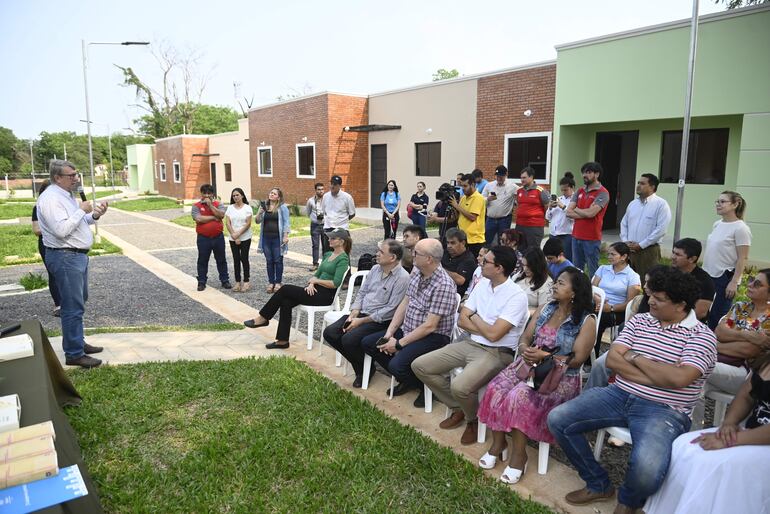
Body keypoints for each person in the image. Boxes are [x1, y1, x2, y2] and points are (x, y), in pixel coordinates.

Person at [547, 266, 717, 513]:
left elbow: (680, 379)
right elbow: (613, 360)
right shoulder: (641, 320)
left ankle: (628, 502)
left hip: (665, 410)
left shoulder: (701, 337)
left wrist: (635, 357)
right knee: (558, 419)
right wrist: (659, 374)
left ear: (680, 305)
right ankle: (598, 483)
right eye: (652, 296)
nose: (651, 302)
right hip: (618, 394)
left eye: (659, 299)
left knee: (647, 470)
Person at [477, 267, 596, 483]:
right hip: (529, 365)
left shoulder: (586, 321)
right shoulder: (546, 308)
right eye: (556, 282)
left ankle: (519, 456)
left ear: (575, 291)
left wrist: (546, 357)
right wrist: (525, 349)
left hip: (558, 377)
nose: (554, 285)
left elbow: (578, 359)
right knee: (495, 388)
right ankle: (499, 443)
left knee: (519, 397)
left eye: (560, 283)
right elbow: (526, 336)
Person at [412, 246, 529, 446]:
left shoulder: (516, 296)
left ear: (499, 268)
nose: (480, 263)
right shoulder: (483, 284)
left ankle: (472, 421)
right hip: (470, 343)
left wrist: (474, 317)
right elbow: (462, 321)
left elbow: (494, 335)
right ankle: (462, 409)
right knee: (420, 365)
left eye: (486, 262)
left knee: (460, 385)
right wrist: (482, 324)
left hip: (497, 353)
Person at [644, 352, 770, 514]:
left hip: (762, 442)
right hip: (752, 432)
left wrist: (733, 440)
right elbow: (746, 396)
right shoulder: (766, 360)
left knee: (712, 462)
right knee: (684, 446)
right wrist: (729, 424)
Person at [361, 239, 457, 407]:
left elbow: (430, 326)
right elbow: (405, 302)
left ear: (429, 259)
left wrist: (398, 344)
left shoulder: (443, 284)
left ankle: (425, 386)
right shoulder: (417, 273)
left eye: (416, 253)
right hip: (409, 328)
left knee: (397, 364)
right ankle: (408, 379)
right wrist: (390, 332)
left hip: (432, 337)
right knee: (370, 343)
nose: (411, 254)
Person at [36, 159, 108, 368]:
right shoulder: (50, 199)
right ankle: (74, 353)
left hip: (76, 256)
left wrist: (93, 215)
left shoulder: (65, 195)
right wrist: (81, 210)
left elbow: (77, 223)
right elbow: (61, 230)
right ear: (57, 178)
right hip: (65, 257)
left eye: (76, 174)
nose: (76, 178)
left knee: (78, 301)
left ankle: (77, 342)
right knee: (71, 305)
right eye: (71, 175)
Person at [244, 228, 352, 349]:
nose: (329, 239)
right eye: (329, 237)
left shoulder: (343, 259)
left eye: (333, 238)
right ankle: (282, 341)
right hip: (313, 289)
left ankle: (263, 318)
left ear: (341, 241)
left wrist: (316, 281)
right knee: (286, 302)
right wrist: (312, 283)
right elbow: (317, 274)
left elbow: (335, 283)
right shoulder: (328, 255)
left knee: (285, 289)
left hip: (325, 296)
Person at [323, 239, 410, 387]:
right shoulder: (376, 269)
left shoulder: (402, 278)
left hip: (379, 321)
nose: (377, 254)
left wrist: (361, 321)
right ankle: (363, 365)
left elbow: (391, 309)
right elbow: (362, 292)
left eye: (381, 252)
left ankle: (363, 371)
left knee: (349, 339)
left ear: (392, 258)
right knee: (330, 333)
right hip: (361, 313)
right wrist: (355, 311)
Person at [691, 268, 770, 428]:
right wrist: (748, 336)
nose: (750, 285)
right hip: (722, 364)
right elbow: (719, 332)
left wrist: (722, 342)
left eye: (757, 284)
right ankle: (693, 432)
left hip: (748, 375)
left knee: (696, 369)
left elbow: (750, 351)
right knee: (694, 384)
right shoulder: (741, 307)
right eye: (751, 280)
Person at [703, 191, 751, 330]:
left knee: (717, 316)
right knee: (704, 313)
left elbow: (743, 257)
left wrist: (734, 282)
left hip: (724, 278)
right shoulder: (717, 224)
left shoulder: (741, 228)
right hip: (708, 275)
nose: (718, 204)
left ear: (735, 204)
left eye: (723, 201)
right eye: (717, 201)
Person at [591, 242, 642, 356]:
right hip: (598, 304)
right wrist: (598, 299)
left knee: (596, 320)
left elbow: (630, 303)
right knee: (580, 311)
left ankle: (590, 359)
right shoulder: (603, 269)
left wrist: (611, 308)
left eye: (613, 254)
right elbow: (593, 288)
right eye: (608, 254)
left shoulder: (632, 276)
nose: (609, 257)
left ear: (624, 257)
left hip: (617, 310)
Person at [620, 173, 672, 281]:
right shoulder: (633, 204)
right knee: (628, 281)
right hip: (629, 250)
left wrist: (641, 245)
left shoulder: (661, 204)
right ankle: (632, 299)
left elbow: (661, 229)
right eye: (638, 183)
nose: (638, 185)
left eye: (642, 183)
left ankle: (647, 299)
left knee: (648, 282)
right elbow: (624, 223)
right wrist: (625, 242)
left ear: (652, 187)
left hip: (648, 251)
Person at [567, 162, 610, 278]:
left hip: (591, 238)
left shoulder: (603, 193)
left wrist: (577, 209)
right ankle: (579, 293)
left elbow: (592, 213)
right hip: (576, 236)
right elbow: (568, 212)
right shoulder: (579, 191)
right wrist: (586, 212)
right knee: (577, 270)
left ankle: (593, 293)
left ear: (597, 174)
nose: (584, 175)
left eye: (588, 172)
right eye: (583, 172)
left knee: (593, 271)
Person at [192, 184, 232, 291]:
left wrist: (210, 206)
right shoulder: (196, 206)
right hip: (203, 238)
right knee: (202, 260)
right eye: (204, 193)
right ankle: (201, 281)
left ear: (212, 194)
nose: (206, 195)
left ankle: (225, 280)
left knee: (221, 259)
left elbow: (221, 215)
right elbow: (198, 219)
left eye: (209, 193)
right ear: (201, 194)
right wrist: (214, 217)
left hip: (218, 237)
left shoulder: (218, 204)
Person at [31, 180, 61, 316]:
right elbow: (36, 229)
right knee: (53, 273)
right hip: (46, 244)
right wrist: (55, 228)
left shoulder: (62, 206)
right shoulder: (38, 207)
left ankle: (69, 302)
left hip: (63, 244)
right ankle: (58, 304)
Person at [669, 238, 715, 323]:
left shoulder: (705, 282)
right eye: (673, 252)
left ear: (692, 259)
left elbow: (700, 313)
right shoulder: (669, 273)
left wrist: (669, 319)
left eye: (678, 255)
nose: (672, 257)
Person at [255, 188, 290, 293]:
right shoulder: (264, 206)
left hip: (277, 239)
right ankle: (271, 282)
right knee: (269, 261)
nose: (271, 194)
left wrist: (285, 235)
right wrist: (260, 213)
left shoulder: (282, 208)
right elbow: (257, 221)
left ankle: (278, 282)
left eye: (274, 194)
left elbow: (286, 223)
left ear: (278, 197)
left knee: (278, 260)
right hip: (266, 238)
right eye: (271, 193)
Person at [450, 173, 486, 257]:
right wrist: (453, 208)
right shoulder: (463, 198)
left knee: (472, 264)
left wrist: (456, 206)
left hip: (474, 240)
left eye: (465, 186)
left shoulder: (478, 198)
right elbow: (459, 215)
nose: (463, 189)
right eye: (462, 186)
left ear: (472, 184)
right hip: (463, 238)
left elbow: (472, 217)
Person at [514, 166, 550, 252]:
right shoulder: (519, 191)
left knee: (533, 252)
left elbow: (547, 207)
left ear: (531, 177)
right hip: (520, 226)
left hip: (534, 227)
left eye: (524, 178)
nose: (522, 180)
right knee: (520, 250)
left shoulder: (540, 190)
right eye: (521, 178)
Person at [225, 187, 253, 292]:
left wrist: (238, 235)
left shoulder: (247, 208)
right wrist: (233, 235)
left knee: (244, 258)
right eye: (234, 195)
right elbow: (227, 223)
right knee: (236, 259)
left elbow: (248, 223)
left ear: (242, 195)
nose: (235, 197)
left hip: (245, 237)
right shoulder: (230, 208)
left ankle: (246, 281)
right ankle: (237, 282)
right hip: (233, 238)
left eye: (237, 195)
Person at [483, 165, 518, 247]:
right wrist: (487, 199)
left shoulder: (512, 186)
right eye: (497, 176)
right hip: (490, 219)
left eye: (501, 176)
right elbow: (481, 199)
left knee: (503, 242)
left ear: (506, 175)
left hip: (504, 220)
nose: (498, 178)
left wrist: (516, 201)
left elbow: (521, 193)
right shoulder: (489, 185)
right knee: (486, 240)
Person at [546, 172, 576, 262]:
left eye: (566, 190)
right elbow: (548, 217)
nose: (563, 192)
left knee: (566, 259)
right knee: (552, 258)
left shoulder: (575, 200)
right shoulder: (559, 199)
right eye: (562, 190)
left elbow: (574, 217)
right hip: (553, 234)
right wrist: (550, 207)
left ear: (572, 188)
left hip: (566, 234)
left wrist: (563, 207)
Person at [321, 175, 356, 253]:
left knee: (343, 255)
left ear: (340, 186)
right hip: (328, 229)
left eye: (335, 184)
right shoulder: (326, 196)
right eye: (331, 183)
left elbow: (352, 213)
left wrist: (342, 221)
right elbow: (323, 211)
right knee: (327, 255)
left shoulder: (347, 197)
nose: (332, 186)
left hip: (342, 230)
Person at [513, 247, 553, 312]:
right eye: (523, 265)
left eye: (529, 266)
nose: (525, 269)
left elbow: (544, 310)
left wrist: (523, 312)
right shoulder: (519, 275)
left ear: (538, 265)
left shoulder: (547, 284)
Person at [441, 228, 478, 296]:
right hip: (440, 288)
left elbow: (460, 280)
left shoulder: (468, 259)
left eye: (453, 243)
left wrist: (439, 269)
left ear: (463, 243)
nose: (449, 246)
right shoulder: (445, 253)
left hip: (454, 294)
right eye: (448, 242)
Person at [305, 182, 325, 271]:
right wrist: (314, 218)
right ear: (315, 190)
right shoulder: (311, 201)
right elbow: (308, 212)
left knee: (326, 245)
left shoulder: (327, 200)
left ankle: (325, 264)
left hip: (325, 225)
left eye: (322, 189)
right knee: (315, 245)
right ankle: (315, 264)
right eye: (319, 189)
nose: (321, 191)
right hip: (315, 225)